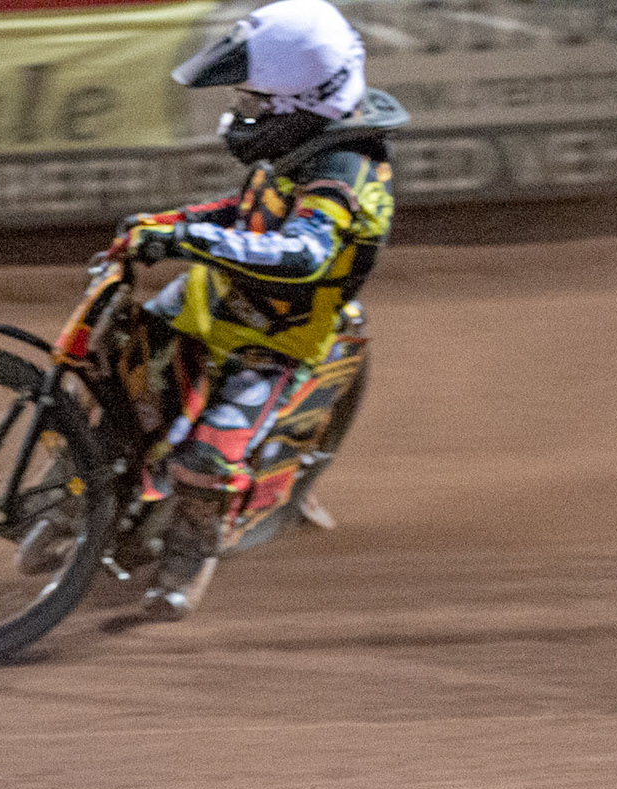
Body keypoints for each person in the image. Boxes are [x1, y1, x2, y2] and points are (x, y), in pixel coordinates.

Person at [111, 0, 405, 619]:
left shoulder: (345, 172)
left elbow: (300, 253)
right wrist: (167, 223)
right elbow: (246, 209)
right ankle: (88, 501)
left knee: (206, 459)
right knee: (117, 374)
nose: (241, 113)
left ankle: (188, 559)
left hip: (274, 342)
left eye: (254, 102)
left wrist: (185, 239)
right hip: (206, 305)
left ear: (301, 103)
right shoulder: (304, 145)